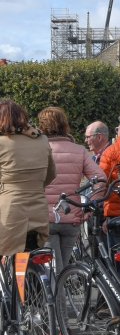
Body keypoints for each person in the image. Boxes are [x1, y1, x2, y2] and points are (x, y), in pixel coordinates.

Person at [38, 107, 104, 335]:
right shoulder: (79, 151)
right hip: (71, 220)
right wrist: (88, 207)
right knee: (62, 273)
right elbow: (99, 179)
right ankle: (60, 328)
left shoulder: (40, 149)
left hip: (44, 220)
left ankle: (59, 329)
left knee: (52, 277)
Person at [0, 99, 56, 257]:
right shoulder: (42, 139)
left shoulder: (2, 142)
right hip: (38, 207)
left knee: (7, 252)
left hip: (10, 210)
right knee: (32, 253)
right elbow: (51, 174)